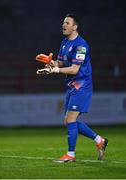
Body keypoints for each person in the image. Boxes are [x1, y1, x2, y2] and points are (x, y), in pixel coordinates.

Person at [37, 14, 108, 163]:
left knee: (70, 119)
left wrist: (55, 70)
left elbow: (75, 69)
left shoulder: (81, 45)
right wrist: (51, 63)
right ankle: (99, 140)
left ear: (75, 27)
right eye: (63, 22)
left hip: (82, 85)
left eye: (67, 23)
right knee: (69, 121)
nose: (63, 25)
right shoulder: (64, 42)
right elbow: (62, 64)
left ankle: (70, 155)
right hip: (71, 85)